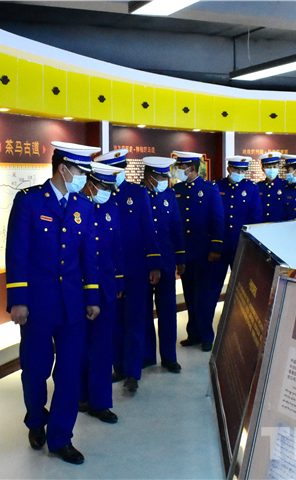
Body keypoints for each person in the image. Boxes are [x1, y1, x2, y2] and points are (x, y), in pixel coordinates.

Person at [5, 141, 101, 465]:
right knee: (35, 369)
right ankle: (36, 420)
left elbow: (88, 256)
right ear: (63, 169)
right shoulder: (29, 201)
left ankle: (61, 437)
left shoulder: (83, 206)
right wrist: (18, 300)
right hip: (37, 305)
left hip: (72, 305)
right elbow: (16, 253)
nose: (84, 178)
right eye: (80, 171)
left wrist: (92, 297)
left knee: (70, 372)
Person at [105, 150, 163, 391]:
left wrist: (154, 264)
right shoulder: (100, 194)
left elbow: (149, 229)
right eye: (113, 171)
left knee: (136, 319)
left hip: (136, 269)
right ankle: (118, 367)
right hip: (110, 270)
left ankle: (133, 372)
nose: (118, 174)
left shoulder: (137, 193)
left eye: (120, 169)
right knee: (115, 321)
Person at [78, 159, 124, 422]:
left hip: (106, 287)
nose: (107, 192)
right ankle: (78, 395)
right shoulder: (74, 206)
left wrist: (119, 282)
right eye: (103, 187)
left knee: (102, 347)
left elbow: (116, 247)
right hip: (78, 287)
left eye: (109, 188)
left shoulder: (111, 208)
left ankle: (100, 402)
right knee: (77, 346)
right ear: (90, 183)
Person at [173, 151, 224, 353]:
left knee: (204, 297)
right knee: (189, 294)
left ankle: (206, 336)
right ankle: (193, 334)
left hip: (205, 253)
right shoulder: (177, 189)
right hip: (186, 252)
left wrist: (216, 247)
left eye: (180, 167)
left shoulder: (209, 188)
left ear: (191, 168)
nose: (178, 171)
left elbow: (217, 218)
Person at [143, 157, 185, 379]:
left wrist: (180, 259)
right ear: (150, 177)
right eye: (160, 177)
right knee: (144, 313)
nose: (164, 181)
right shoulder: (138, 196)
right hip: (143, 265)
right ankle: (147, 356)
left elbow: (176, 228)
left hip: (167, 263)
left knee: (168, 311)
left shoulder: (169, 195)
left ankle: (169, 357)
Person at [213, 156, 262, 290]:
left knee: (242, 285)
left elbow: (256, 218)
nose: (240, 174)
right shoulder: (217, 185)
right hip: (220, 244)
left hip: (241, 245)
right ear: (229, 169)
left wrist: (252, 247)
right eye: (237, 170)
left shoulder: (251, 187)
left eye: (243, 171)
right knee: (213, 285)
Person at [256, 151, 287, 223]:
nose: (272, 169)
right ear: (262, 168)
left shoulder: (286, 185)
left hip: (280, 225)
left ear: (278, 167)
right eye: (268, 167)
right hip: (261, 225)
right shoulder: (257, 187)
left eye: (274, 167)